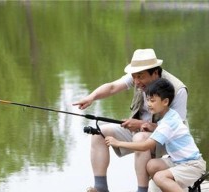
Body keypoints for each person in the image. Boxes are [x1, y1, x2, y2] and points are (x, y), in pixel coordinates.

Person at [73, 48, 188, 192]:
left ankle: (142, 190)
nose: (136, 81)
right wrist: (91, 97)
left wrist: (142, 125)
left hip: (167, 139)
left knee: (140, 138)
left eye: (140, 77)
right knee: (99, 133)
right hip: (140, 131)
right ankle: (100, 188)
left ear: (155, 73)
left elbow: (176, 128)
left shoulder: (178, 90)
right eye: (134, 77)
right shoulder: (138, 78)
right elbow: (112, 87)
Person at [105, 78, 206, 192]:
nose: (149, 104)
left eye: (152, 101)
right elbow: (167, 130)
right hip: (179, 162)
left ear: (165, 102)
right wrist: (153, 127)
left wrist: (118, 143)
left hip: (192, 165)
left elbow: (145, 146)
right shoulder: (170, 115)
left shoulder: (168, 122)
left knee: (159, 177)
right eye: (148, 100)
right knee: (152, 165)